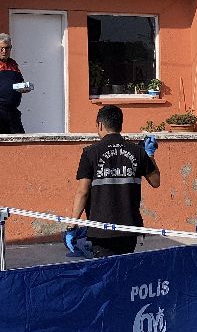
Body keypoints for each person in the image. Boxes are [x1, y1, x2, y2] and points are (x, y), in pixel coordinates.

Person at [69, 105, 161, 256]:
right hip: (129, 229)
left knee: (106, 268)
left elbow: (82, 192)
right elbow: (156, 182)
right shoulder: (138, 151)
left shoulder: (90, 153)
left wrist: (72, 225)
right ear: (120, 125)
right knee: (124, 268)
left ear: (100, 125)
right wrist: (149, 154)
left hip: (101, 231)